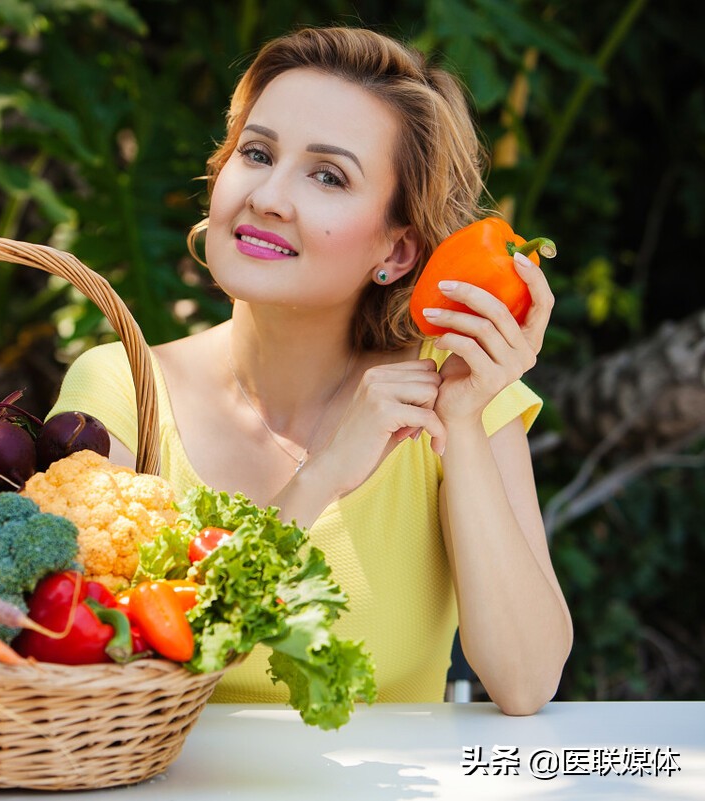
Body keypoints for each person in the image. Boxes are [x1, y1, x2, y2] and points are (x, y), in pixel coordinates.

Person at [48, 25, 572, 715]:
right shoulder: (118, 388)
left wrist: (466, 423)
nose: (268, 195)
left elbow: (526, 681)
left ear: (398, 249)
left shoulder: (457, 396)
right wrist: (321, 474)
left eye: (328, 175)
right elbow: (83, 651)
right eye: (257, 153)